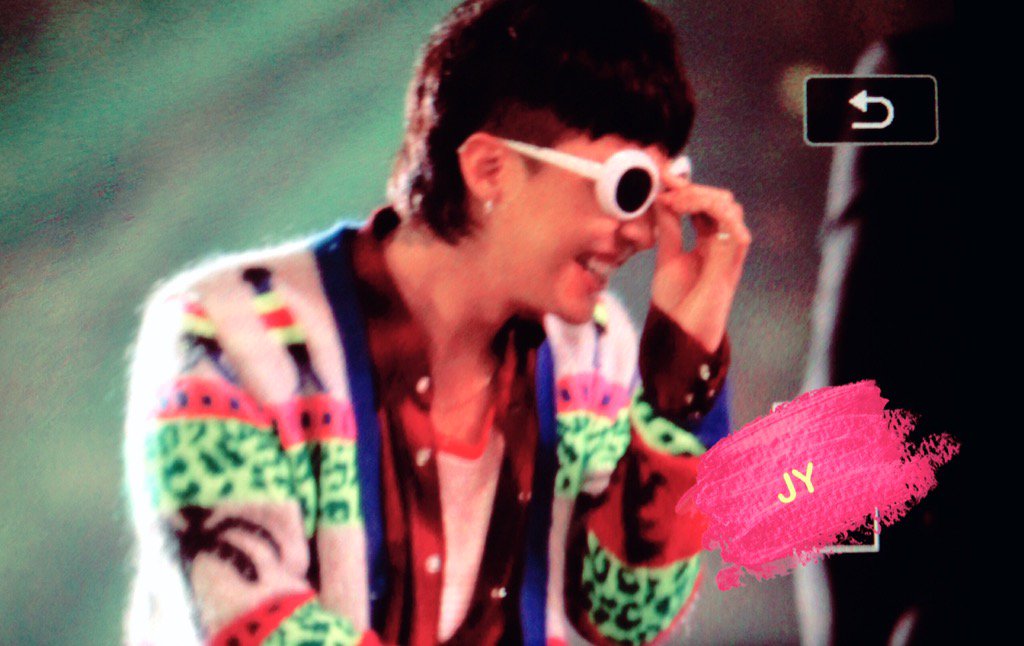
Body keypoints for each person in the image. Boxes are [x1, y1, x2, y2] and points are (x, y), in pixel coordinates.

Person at [124, 1, 750, 644]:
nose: (645, 233)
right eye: (629, 189)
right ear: (489, 169)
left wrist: (679, 392)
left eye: (666, 190)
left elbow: (627, 620)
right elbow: (253, 625)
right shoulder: (228, 334)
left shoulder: (596, 348)